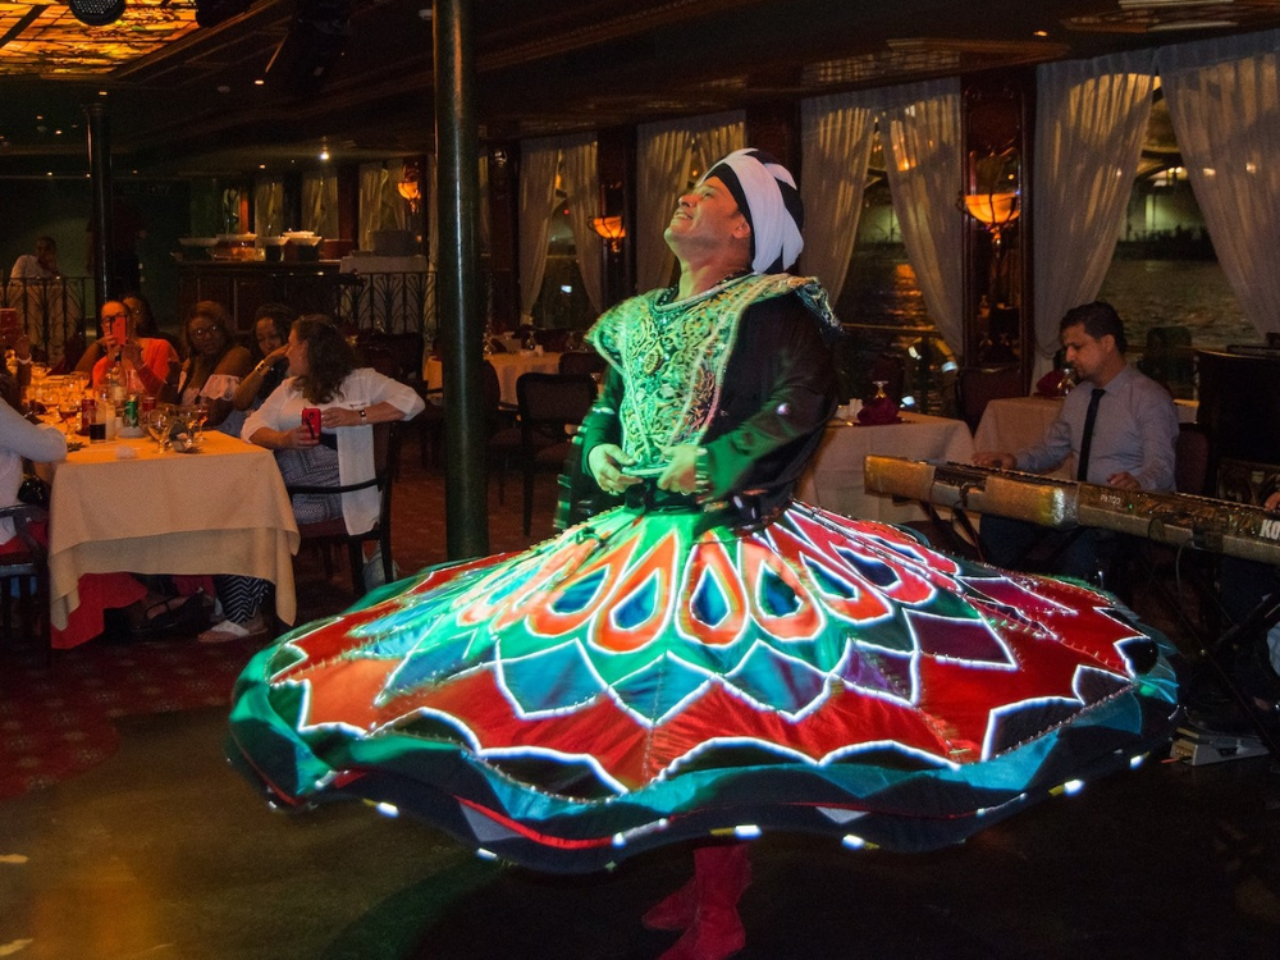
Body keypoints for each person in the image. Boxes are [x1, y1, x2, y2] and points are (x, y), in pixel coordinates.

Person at [225, 151, 1177, 960]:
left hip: (738, 544)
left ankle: (718, 903)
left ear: (744, 228)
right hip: (633, 539)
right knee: (642, 715)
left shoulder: (780, 307)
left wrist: (711, 465)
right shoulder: (638, 316)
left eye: (703, 195)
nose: (682, 202)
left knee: (723, 715)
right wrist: (596, 448)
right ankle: (701, 875)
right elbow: (611, 403)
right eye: (683, 192)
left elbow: (798, 407)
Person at [196, 315, 424, 643]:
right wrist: (283, 439)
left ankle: (243, 613)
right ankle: (239, 605)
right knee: (233, 504)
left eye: (291, 343)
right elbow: (251, 425)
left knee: (260, 511)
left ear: (309, 348)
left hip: (335, 488)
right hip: (292, 484)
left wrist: (355, 417)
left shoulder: (361, 380)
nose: (286, 351)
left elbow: (412, 402)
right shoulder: (290, 387)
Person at [974, 301, 1180, 582]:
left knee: (1078, 539)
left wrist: (1139, 483)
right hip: (1077, 511)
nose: (1069, 356)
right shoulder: (1079, 397)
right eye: (1067, 348)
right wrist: (1013, 460)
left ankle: (1079, 610)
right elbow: (1051, 450)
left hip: (1124, 518)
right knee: (998, 521)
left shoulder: (1148, 398)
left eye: (1077, 347)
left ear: (1107, 343)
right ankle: (1017, 599)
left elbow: (1163, 467)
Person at [169, 301, 254, 437]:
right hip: (193, 439)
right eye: (199, 332)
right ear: (190, 338)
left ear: (224, 329)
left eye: (213, 329)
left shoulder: (237, 355)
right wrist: (171, 379)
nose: (207, 337)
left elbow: (214, 415)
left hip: (227, 440)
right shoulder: (192, 363)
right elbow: (166, 408)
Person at [75, 300, 179, 397]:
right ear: (103, 328)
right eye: (108, 320)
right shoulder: (101, 365)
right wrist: (110, 361)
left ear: (133, 322)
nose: (114, 323)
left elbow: (163, 396)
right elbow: (101, 400)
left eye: (120, 317)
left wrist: (139, 364)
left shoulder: (159, 347)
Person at [231, 303, 293, 412]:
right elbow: (240, 402)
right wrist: (268, 362)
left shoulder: (298, 367)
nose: (268, 345)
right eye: (261, 339)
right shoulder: (263, 365)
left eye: (273, 337)